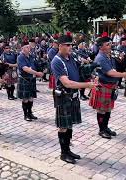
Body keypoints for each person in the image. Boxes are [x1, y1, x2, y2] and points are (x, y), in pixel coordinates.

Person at [51, 34, 95, 164]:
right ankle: (63, 153)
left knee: (69, 124)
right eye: (68, 45)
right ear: (60, 46)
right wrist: (87, 85)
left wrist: (92, 67)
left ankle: (68, 150)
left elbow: (80, 71)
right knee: (63, 126)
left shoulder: (71, 57)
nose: (70, 47)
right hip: (64, 96)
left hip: (74, 96)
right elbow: (67, 83)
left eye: (71, 45)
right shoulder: (57, 61)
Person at [89, 36, 126, 139]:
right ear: (101, 47)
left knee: (108, 108)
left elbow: (114, 68)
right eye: (107, 44)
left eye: (110, 44)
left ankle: (105, 127)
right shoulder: (100, 58)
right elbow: (110, 73)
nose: (110, 45)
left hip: (110, 86)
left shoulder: (108, 56)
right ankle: (101, 130)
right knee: (102, 110)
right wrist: (123, 75)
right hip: (103, 86)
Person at [17, 41, 44, 121]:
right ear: (22, 48)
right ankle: (26, 115)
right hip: (24, 79)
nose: (29, 48)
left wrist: (43, 69)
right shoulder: (20, 57)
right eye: (26, 47)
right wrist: (37, 73)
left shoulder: (32, 56)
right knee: (25, 98)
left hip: (32, 79)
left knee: (31, 97)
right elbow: (25, 69)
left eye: (29, 47)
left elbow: (36, 65)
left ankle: (30, 113)